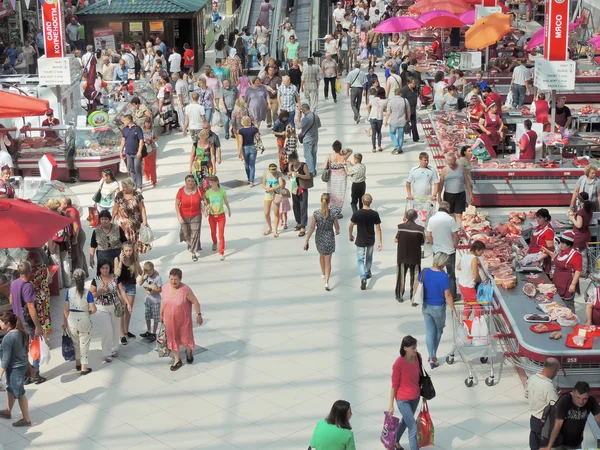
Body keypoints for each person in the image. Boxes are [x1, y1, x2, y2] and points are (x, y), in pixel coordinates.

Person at [415, 252, 458, 368]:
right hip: (438, 308)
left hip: (425, 306)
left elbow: (417, 285)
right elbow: (448, 295)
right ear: (443, 263)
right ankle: (432, 357)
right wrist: (453, 309)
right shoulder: (444, 277)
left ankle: (432, 356)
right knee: (438, 330)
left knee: (429, 331)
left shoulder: (424, 271)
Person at [8, 261, 44, 384]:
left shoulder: (14, 283)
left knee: (23, 349)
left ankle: (25, 376)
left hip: (18, 321)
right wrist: (38, 326)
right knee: (35, 347)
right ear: (29, 271)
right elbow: (31, 307)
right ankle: (35, 374)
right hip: (28, 321)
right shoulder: (27, 286)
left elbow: (11, 300)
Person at [160, 268, 202, 371]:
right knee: (173, 339)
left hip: (183, 321)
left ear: (180, 279)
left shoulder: (185, 289)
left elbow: (195, 302)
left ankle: (188, 352)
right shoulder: (165, 287)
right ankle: (177, 360)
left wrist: (198, 314)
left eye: (176, 279)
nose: (174, 282)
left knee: (185, 338)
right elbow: (163, 301)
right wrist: (161, 314)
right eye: (172, 279)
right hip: (170, 321)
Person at [541, 381, 600, 450]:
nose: (581, 402)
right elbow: (558, 424)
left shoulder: (591, 401)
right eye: (578, 398)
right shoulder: (565, 400)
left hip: (576, 442)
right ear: (573, 393)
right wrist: (549, 446)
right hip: (560, 442)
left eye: (585, 399)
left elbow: (598, 420)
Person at [388, 335, 421, 450]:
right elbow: (394, 386)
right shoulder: (398, 364)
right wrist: (391, 405)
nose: (415, 350)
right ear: (405, 348)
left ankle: (395, 440)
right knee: (413, 427)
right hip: (403, 399)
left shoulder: (418, 357)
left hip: (416, 396)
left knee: (406, 421)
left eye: (416, 347)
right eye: (413, 348)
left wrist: (424, 394)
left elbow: (420, 376)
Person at [90, 259, 127, 362]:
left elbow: (122, 291)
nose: (105, 270)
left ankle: (114, 348)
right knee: (107, 330)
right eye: (103, 268)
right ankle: (106, 352)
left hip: (115, 306)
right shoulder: (96, 280)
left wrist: (127, 303)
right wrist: (100, 291)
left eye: (107, 268)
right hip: (102, 308)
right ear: (99, 269)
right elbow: (91, 294)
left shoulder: (115, 278)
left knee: (115, 329)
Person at [0, 311, 31, 427]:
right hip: (21, 365)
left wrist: (0, 373)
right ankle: (8, 411)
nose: (0, 324)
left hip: (14, 369)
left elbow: (5, 360)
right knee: (10, 389)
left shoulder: (8, 338)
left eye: (1, 322)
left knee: (20, 393)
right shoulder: (20, 332)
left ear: (7, 323)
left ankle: (26, 419)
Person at [304, 193, 340, 291]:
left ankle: (323, 273)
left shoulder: (316, 213)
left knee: (321, 255)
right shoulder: (333, 213)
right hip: (329, 237)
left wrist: (306, 240)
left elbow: (312, 228)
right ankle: (326, 282)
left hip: (319, 237)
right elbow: (337, 228)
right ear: (329, 202)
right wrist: (337, 231)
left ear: (321, 201)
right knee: (328, 261)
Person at [63, 269, 96, 375]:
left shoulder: (69, 291)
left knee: (75, 342)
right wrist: (87, 313)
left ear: (73, 278)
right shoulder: (88, 293)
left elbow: (66, 309)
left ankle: (77, 363)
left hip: (72, 319)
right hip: (84, 318)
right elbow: (94, 309)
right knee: (84, 343)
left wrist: (65, 322)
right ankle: (84, 367)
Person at [540, 231, 582, 312]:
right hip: (557, 280)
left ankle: (571, 321)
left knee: (568, 304)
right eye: (561, 242)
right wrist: (548, 252)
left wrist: (573, 285)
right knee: (557, 301)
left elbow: (578, 271)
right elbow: (557, 258)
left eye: (563, 243)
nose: (560, 245)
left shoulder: (575, 255)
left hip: (567, 283)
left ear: (569, 245)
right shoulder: (562, 251)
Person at [426, 201, 459, 301]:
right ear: (448, 209)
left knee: (437, 273)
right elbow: (456, 236)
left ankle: (438, 294)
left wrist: (433, 244)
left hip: (437, 251)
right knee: (451, 274)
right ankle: (452, 296)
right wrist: (455, 245)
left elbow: (428, 235)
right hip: (449, 251)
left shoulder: (432, 219)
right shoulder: (450, 219)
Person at [349, 193, 382, 290]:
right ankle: (368, 272)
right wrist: (380, 242)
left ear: (362, 201)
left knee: (360, 259)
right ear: (371, 202)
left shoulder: (357, 213)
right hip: (370, 239)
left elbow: (351, 226)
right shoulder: (375, 214)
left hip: (360, 239)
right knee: (369, 257)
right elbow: (378, 229)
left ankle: (363, 277)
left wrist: (350, 235)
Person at [525, 357, 559, 450]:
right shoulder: (548, 387)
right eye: (557, 371)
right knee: (543, 444)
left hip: (533, 416)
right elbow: (557, 406)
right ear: (554, 369)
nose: (556, 373)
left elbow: (526, 394)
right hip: (544, 421)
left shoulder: (532, 378)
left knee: (533, 438)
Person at [112, 178, 151, 254]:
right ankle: (126, 255)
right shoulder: (119, 195)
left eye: (125, 187)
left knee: (135, 240)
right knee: (124, 240)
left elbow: (142, 208)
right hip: (123, 224)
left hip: (135, 224)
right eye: (122, 187)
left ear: (130, 187)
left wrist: (145, 221)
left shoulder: (137, 195)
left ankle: (134, 256)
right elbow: (115, 209)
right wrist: (112, 219)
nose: (123, 189)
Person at [114, 242, 142, 344]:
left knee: (129, 309)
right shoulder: (117, 259)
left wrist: (136, 262)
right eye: (126, 250)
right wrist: (121, 261)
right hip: (121, 285)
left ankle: (126, 330)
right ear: (122, 251)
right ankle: (121, 334)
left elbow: (140, 272)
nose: (128, 253)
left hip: (131, 285)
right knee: (122, 309)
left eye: (130, 250)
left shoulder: (134, 259)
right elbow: (116, 274)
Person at [395, 210, 425, 304]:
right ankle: (414, 298)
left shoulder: (400, 227)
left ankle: (399, 295)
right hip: (415, 256)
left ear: (406, 217)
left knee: (401, 276)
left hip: (402, 256)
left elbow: (396, 240)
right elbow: (422, 242)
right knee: (415, 277)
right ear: (416, 217)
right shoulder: (420, 229)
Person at [438, 153, 472, 227]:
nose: (450, 162)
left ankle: (458, 230)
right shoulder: (444, 170)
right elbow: (441, 183)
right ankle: (453, 230)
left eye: (452, 160)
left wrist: (470, 193)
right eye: (449, 160)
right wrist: (439, 195)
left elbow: (467, 181)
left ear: (455, 160)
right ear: (447, 161)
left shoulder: (461, 168)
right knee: (450, 214)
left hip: (460, 194)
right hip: (448, 195)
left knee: (459, 214)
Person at [176, 175, 204, 261]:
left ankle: (193, 253)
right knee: (185, 233)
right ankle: (191, 244)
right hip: (184, 215)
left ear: (194, 182)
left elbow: (205, 199)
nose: (190, 183)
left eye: (192, 181)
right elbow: (176, 205)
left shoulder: (199, 189)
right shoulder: (181, 191)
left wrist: (206, 207)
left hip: (196, 215)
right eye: (188, 181)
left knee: (195, 234)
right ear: (185, 182)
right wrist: (179, 217)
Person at [46, 198, 72, 289]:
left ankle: (59, 285)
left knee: (57, 264)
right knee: (66, 262)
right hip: (64, 243)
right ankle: (68, 282)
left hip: (54, 244)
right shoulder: (62, 214)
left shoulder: (48, 216)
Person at [60, 196, 88, 278]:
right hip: (79, 234)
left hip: (77, 235)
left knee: (77, 256)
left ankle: (79, 276)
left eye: (61, 203)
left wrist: (75, 238)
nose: (60, 205)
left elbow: (75, 226)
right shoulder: (72, 209)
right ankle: (85, 272)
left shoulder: (69, 212)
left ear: (65, 204)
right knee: (80, 253)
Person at [205, 176, 231, 260]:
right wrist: (206, 209)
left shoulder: (222, 191)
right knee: (213, 232)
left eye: (212, 182)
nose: (211, 184)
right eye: (210, 183)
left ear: (217, 182)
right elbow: (207, 203)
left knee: (221, 234)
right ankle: (214, 242)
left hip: (221, 215)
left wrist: (229, 209)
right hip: (212, 216)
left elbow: (226, 201)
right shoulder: (208, 192)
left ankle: (221, 252)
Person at [458, 240, 486, 319]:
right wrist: (481, 282)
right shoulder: (474, 258)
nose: (482, 254)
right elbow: (475, 276)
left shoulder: (464, 255)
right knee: (478, 309)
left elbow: (458, 267)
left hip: (461, 284)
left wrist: (467, 268)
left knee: (467, 307)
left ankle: (465, 326)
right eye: (482, 251)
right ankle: (475, 328)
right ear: (477, 250)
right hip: (468, 286)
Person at [325, 141, 353, 218]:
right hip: (341, 178)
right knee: (340, 194)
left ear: (333, 148)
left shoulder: (329, 156)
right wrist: (344, 150)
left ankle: (331, 209)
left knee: (332, 193)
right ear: (340, 148)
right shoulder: (343, 157)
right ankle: (337, 212)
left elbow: (324, 167)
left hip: (332, 178)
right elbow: (350, 151)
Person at [27, 251, 51, 337]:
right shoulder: (45, 268)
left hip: (35, 297)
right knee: (45, 315)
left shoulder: (30, 272)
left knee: (37, 316)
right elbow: (50, 280)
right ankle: (45, 339)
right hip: (45, 294)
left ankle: (39, 338)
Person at [288, 151, 312, 238]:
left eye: (293, 161)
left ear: (296, 159)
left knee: (303, 207)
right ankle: (298, 222)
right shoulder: (291, 166)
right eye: (291, 162)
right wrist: (290, 175)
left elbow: (308, 176)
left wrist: (298, 175)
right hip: (294, 188)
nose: (292, 163)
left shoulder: (303, 165)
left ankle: (303, 226)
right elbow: (290, 176)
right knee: (295, 206)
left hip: (302, 188)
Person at [569, 192, 593, 277]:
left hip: (579, 235)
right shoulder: (589, 210)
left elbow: (579, 225)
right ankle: (584, 272)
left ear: (580, 200)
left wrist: (572, 218)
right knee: (584, 254)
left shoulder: (580, 212)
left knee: (577, 254)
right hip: (586, 234)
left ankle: (577, 271)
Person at [119, 115, 145, 191]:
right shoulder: (125, 129)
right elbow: (123, 140)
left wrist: (139, 151)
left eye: (124, 120)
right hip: (128, 153)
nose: (123, 122)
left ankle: (139, 186)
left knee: (137, 168)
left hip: (136, 153)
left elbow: (141, 140)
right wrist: (121, 150)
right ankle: (134, 184)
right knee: (131, 169)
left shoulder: (137, 128)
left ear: (129, 120)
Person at [138, 261, 163, 341]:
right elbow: (140, 283)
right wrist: (143, 275)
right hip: (148, 300)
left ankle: (154, 333)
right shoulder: (146, 275)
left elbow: (160, 290)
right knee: (147, 316)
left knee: (156, 318)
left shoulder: (157, 277)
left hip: (156, 300)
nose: (148, 274)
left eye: (149, 272)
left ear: (153, 269)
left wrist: (152, 290)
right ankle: (148, 331)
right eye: (147, 273)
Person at [529, 208, 555, 276]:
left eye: (540, 218)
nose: (537, 219)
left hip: (541, 262)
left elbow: (550, 250)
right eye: (537, 217)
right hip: (533, 258)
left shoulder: (548, 231)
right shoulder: (539, 227)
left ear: (545, 218)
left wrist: (538, 259)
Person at [385, 87, 409, 155]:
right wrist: (408, 118)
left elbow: (388, 113)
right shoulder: (405, 100)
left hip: (393, 121)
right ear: (400, 93)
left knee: (392, 133)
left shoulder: (390, 101)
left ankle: (396, 146)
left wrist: (386, 121)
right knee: (401, 135)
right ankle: (400, 148)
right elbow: (408, 110)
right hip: (402, 121)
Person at [262, 163, 284, 237]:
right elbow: (263, 184)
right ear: (269, 170)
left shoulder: (279, 174)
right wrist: (266, 188)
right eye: (272, 170)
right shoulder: (266, 173)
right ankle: (269, 227)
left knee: (276, 213)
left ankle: (275, 230)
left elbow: (281, 184)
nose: (273, 172)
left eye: (274, 170)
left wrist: (272, 189)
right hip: (268, 194)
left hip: (276, 194)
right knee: (266, 212)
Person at [299, 103, 321, 177]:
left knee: (308, 155)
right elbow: (319, 125)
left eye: (301, 110)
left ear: (304, 110)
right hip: (315, 138)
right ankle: (313, 169)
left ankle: (311, 171)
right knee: (313, 154)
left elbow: (298, 126)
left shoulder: (306, 118)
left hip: (307, 139)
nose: (301, 111)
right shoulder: (315, 115)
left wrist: (299, 116)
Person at [238, 116, 260, 186]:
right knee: (252, 165)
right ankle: (251, 181)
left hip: (245, 148)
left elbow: (240, 142)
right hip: (253, 147)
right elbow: (258, 137)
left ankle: (248, 178)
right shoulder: (254, 129)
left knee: (247, 164)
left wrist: (240, 152)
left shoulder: (241, 131)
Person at [368, 87, 387, 153]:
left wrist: (371, 111)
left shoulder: (373, 99)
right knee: (379, 132)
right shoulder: (385, 101)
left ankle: (374, 148)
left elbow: (367, 106)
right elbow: (385, 109)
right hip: (379, 118)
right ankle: (379, 146)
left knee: (373, 133)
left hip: (372, 117)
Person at [402, 77, 420, 142]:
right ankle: (401, 138)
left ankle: (415, 137)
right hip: (406, 110)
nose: (414, 84)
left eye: (415, 83)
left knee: (414, 124)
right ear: (408, 83)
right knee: (403, 125)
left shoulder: (415, 89)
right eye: (413, 83)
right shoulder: (404, 90)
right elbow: (402, 100)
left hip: (413, 109)